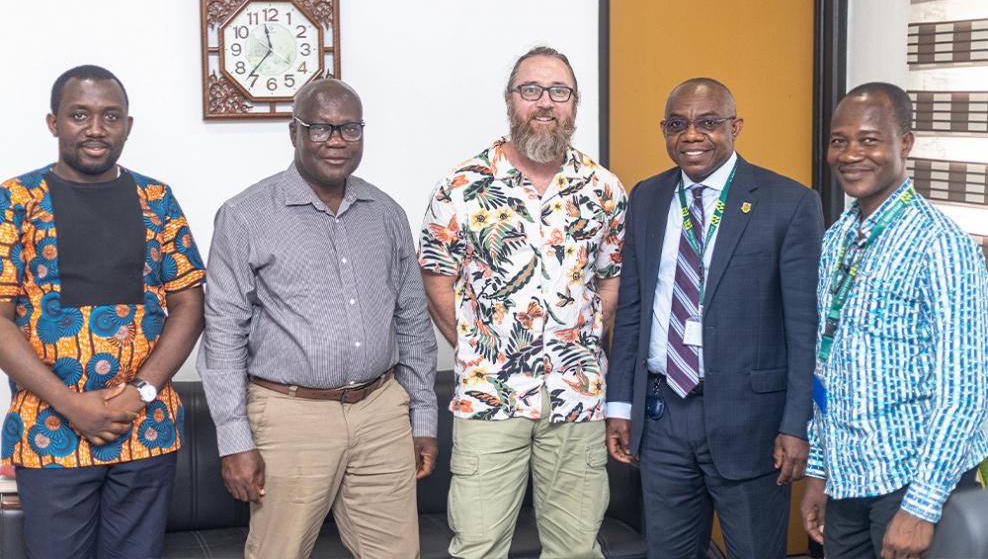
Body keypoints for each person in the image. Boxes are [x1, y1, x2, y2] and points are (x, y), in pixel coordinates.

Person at [197, 78, 438, 559]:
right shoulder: (245, 216)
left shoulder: (386, 213)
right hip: (289, 416)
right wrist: (233, 440)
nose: (336, 141)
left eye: (349, 129)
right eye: (321, 128)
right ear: (294, 133)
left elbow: (413, 321)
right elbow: (222, 336)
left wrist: (423, 417)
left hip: (380, 412)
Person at [419, 46, 628, 559]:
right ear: (509, 101)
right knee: (479, 546)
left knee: (576, 549)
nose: (544, 103)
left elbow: (611, 280)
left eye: (559, 92)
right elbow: (436, 278)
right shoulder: (462, 186)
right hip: (489, 399)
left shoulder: (603, 189)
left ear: (574, 106)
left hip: (577, 400)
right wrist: (479, 345)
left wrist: (579, 345)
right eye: (530, 90)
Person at [606, 78, 824, 558]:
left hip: (752, 424)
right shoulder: (647, 197)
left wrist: (797, 424)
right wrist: (620, 405)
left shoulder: (788, 203)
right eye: (678, 124)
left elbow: (805, 329)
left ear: (735, 127)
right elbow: (634, 310)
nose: (692, 135)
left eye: (708, 123)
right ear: (664, 131)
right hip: (663, 416)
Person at [0, 65, 206, 558]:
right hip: (50, 432)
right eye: (80, 115)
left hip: (145, 432)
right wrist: (73, 405)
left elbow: (189, 304)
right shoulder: (16, 201)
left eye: (110, 116)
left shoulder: (156, 199)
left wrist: (142, 391)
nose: (95, 129)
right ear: (53, 123)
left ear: (127, 126)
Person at [800, 82, 988, 559]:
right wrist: (821, 473)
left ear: (904, 143)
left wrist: (922, 506)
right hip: (848, 484)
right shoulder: (838, 238)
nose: (850, 154)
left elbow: (963, 392)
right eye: (839, 141)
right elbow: (828, 366)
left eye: (869, 139)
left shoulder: (942, 246)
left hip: (912, 485)